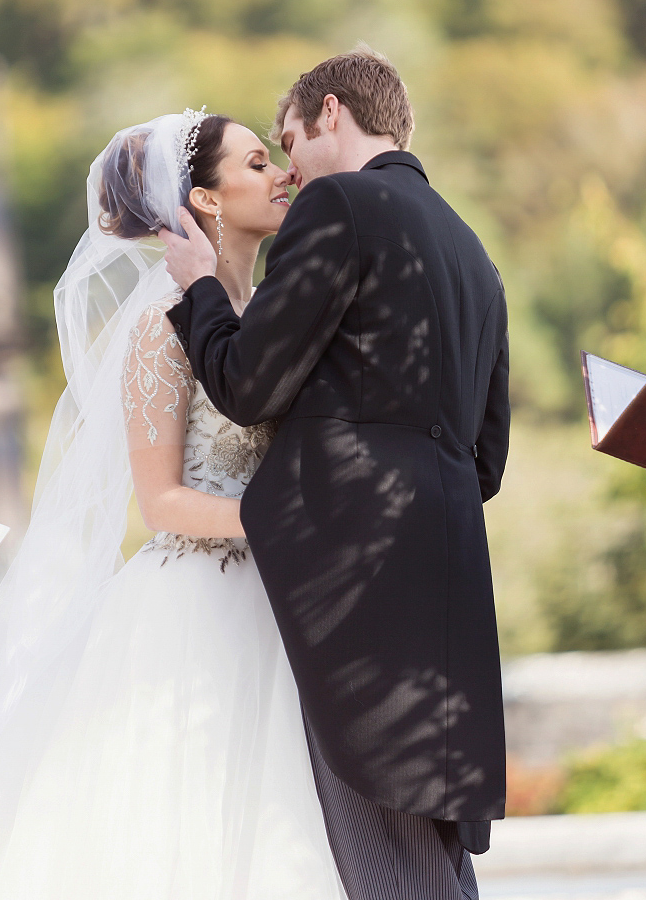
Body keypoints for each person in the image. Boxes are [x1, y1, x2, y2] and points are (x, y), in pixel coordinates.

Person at [0, 112, 346, 900]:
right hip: (198, 603)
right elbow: (162, 502)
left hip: (282, 597)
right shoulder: (160, 326)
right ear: (208, 202)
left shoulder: (271, 314)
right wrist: (283, 521)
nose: (283, 172)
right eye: (258, 162)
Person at [160, 47, 511, 900]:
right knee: (429, 863)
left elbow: (247, 386)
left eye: (287, 139)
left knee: (384, 866)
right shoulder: (473, 253)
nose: (287, 169)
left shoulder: (341, 206)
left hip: (353, 594)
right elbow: (488, 457)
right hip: (451, 586)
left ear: (329, 114)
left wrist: (202, 287)